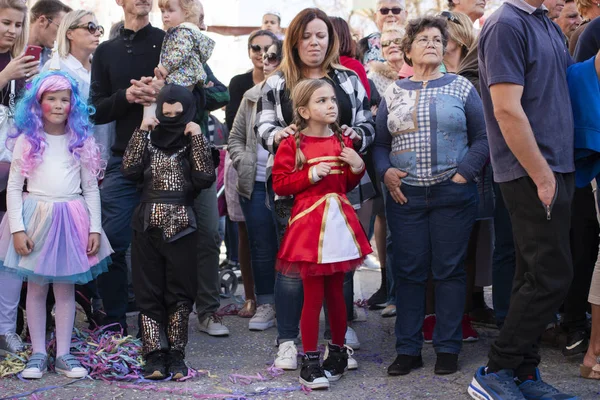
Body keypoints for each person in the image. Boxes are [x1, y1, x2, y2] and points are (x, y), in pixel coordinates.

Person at [470, 0, 581, 397]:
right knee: (552, 276)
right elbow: (506, 109)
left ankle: (522, 374)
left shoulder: (544, 24)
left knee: (532, 276)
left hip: (558, 167)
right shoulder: (505, 23)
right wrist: (541, 174)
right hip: (532, 171)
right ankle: (495, 371)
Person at [255, 7, 375, 370]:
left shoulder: (350, 78)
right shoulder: (278, 82)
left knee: (340, 264)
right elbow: (263, 128)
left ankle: (336, 339)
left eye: (320, 35)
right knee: (294, 269)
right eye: (306, 36)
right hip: (295, 192)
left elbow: (368, 122)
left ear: (331, 39)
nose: (314, 42)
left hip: (340, 187)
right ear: (294, 40)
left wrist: (357, 138)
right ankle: (289, 340)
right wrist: (281, 137)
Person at [375, 16, 488, 377]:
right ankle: (407, 350)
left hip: (452, 193)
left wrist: (462, 175)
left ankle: (448, 348)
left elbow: (485, 138)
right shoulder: (392, 92)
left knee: (450, 271)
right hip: (404, 196)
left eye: (438, 39)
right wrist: (386, 172)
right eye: (422, 39)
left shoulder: (461, 88)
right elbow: (379, 144)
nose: (431, 44)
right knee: (407, 272)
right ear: (407, 50)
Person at [0, 71, 111, 379]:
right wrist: (17, 229)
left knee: (65, 290)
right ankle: (37, 353)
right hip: (35, 218)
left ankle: (63, 354)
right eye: (52, 99)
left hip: (72, 219)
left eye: (65, 99)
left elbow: (91, 188)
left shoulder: (81, 141)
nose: (59, 105)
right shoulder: (27, 141)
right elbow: (13, 187)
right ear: (38, 103)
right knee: (36, 289)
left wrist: (94, 228)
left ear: (74, 105)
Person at [273, 79, 372, 389]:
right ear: (304, 110)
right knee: (312, 296)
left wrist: (357, 167)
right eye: (322, 101)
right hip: (309, 227)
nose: (331, 105)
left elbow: (347, 185)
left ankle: (338, 353)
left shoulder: (344, 141)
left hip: (340, 224)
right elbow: (280, 184)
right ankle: (311, 360)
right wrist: (309, 175)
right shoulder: (293, 143)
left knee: (338, 295)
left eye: (332, 99)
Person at [122, 84, 215, 381]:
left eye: (179, 113)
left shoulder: (191, 141)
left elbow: (205, 177)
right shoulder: (147, 139)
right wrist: (140, 131)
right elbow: (129, 170)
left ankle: (176, 353)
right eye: (167, 112)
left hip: (183, 226)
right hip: (147, 224)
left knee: (180, 293)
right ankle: (153, 354)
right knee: (148, 292)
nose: (172, 118)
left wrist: (198, 137)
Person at [90, 0, 167, 334]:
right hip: (123, 158)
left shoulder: (169, 42)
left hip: (165, 158)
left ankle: (157, 326)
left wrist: (165, 92)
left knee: (162, 244)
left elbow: (200, 100)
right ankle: (115, 321)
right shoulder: (106, 51)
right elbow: (96, 109)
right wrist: (127, 97)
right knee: (111, 241)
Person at [227, 38, 281, 330]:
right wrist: (243, 160)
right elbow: (234, 137)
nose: (267, 61)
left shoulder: (299, 94)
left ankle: (292, 306)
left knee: (290, 247)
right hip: (256, 180)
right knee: (261, 246)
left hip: (289, 183)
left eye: (274, 57)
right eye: (264, 56)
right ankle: (266, 304)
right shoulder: (250, 95)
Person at [0, 0, 42, 357]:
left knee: (11, 256)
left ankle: (7, 331)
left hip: (11, 171)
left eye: (16, 25)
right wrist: (4, 76)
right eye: (5, 23)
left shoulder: (21, 67)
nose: (11, 31)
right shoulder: (8, 69)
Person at [142, 0, 215, 118]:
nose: (165, 15)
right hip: (187, 80)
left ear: (187, 12)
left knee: (150, 96)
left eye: (170, 10)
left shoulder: (183, 32)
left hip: (178, 78)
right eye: (162, 11)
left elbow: (179, 53)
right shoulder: (191, 32)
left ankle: (147, 124)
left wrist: (163, 68)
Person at [43, 10, 104, 102]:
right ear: (70, 34)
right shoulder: (54, 67)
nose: (98, 33)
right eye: (91, 27)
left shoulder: (102, 67)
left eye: (99, 29)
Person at [225, 30, 277, 132]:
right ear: (249, 52)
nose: (262, 53)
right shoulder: (237, 82)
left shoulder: (285, 82)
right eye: (256, 48)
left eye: (268, 49)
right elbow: (232, 122)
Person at [361, 0, 408, 66]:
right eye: (384, 11)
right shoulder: (362, 46)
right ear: (375, 16)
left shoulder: (417, 42)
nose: (390, 14)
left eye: (396, 10)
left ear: (405, 14)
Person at [28, 0, 72, 66]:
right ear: (42, 21)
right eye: (60, 28)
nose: (63, 35)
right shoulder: (11, 48)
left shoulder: (55, 55)